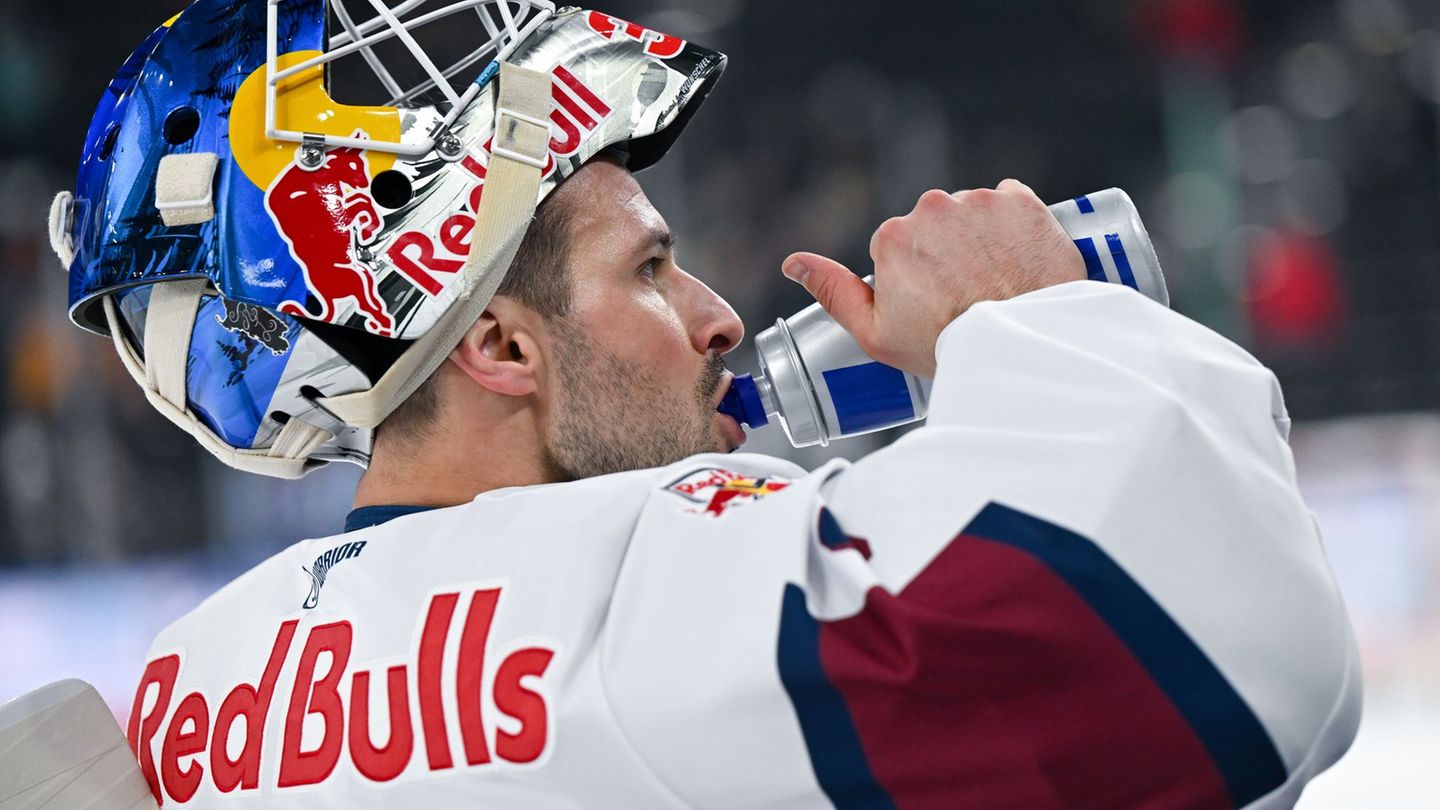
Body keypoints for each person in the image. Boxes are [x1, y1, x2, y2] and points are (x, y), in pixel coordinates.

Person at [53, 0, 1360, 807]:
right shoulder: (636, 577)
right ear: (500, 342)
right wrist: (1024, 319)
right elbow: (1201, 666)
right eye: (653, 269)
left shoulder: (191, 683)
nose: (721, 315)